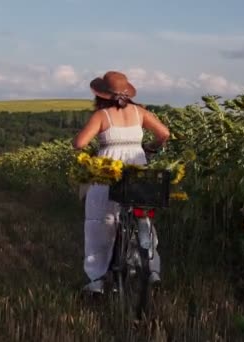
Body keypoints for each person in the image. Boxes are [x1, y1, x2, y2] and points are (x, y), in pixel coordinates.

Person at [72, 71, 171, 294]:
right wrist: (150, 148)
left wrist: (94, 151)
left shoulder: (102, 116)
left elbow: (79, 143)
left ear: (101, 95)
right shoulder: (140, 112)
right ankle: (152, 269)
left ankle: (97, 279)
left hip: (108, 173)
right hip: (137, 170)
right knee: (142, 216)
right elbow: (164, 133)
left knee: (100, 222)